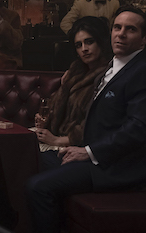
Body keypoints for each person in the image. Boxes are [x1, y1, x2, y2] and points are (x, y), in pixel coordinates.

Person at [26, 5, 146, 233]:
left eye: (131, 30)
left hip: (120, 168)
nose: (121, 34)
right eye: (117, 27)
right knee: (25, 159)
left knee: (38, 186)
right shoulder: (114, 67)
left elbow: (138, 129)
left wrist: (88, 152)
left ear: (145, 39)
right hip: (96, 157)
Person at [32, 17, 112, 159]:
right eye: (78, 45)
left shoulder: (108, 75)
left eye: (89, 42)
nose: (84, 49)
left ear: (101, 42)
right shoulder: (75, 71)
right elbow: (55, 105)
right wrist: (46, 120)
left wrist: (58, 140)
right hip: (54, 137)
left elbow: (94, 125)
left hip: (75, 146)